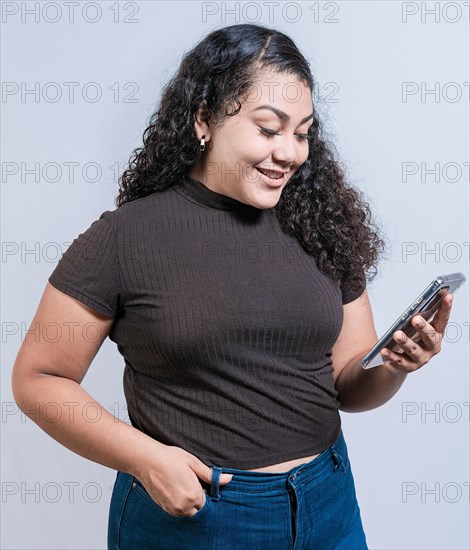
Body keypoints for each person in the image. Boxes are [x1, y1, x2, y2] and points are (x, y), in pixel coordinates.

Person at [11, 23, 453, 550]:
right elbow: (38, 378)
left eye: (303, 132)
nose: (290, 152)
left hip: (327, 502)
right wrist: (143, 457)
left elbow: (347, 385)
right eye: (269, 129)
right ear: (204, 120)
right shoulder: (125, 238)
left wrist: (395, 365)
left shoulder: (322, 227)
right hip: (198, 517)